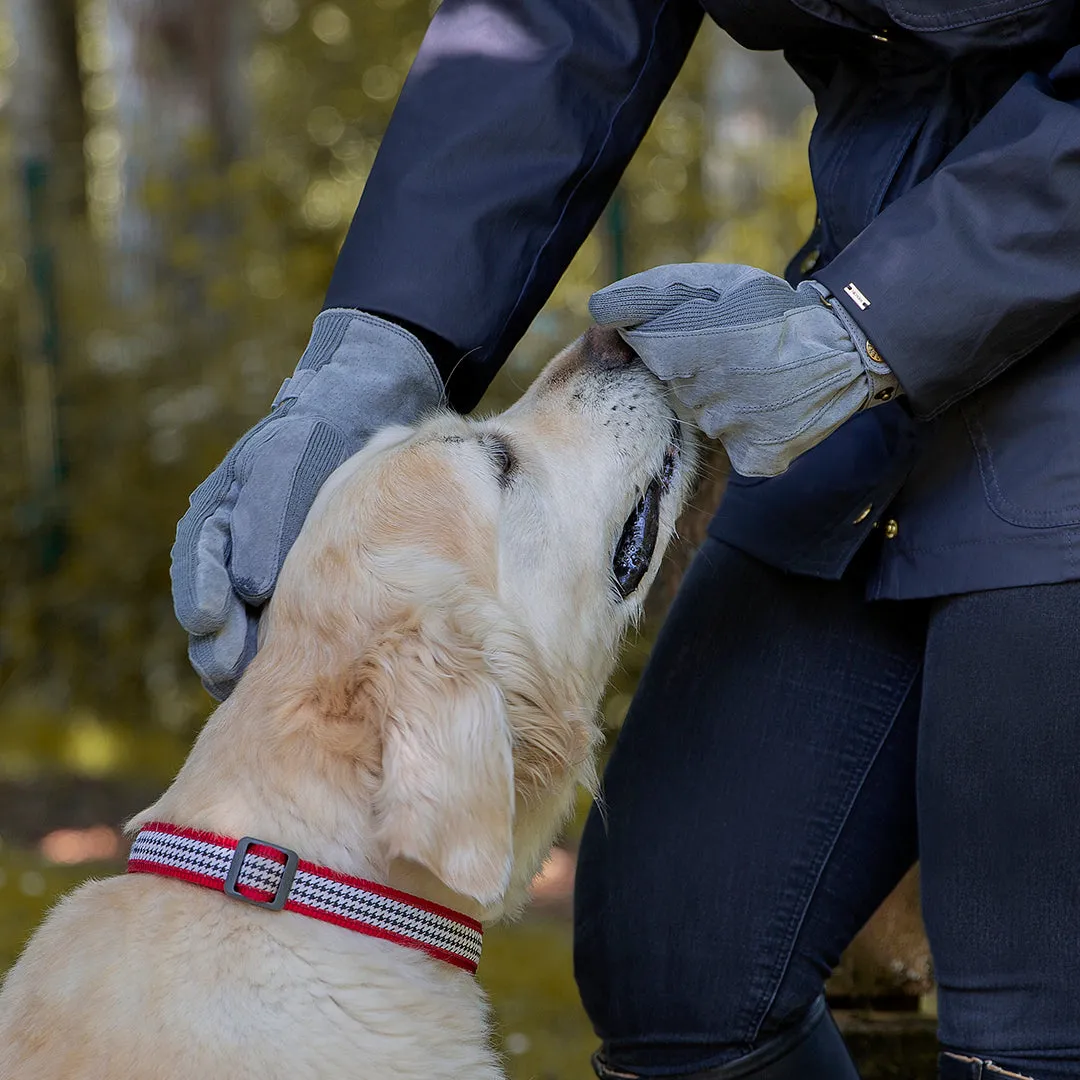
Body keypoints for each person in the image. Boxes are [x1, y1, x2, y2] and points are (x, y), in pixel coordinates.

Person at [170, 2, 1080, 1077]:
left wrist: (882, 316)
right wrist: (378, 349)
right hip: (859, 326)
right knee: (680, 973)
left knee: (1032, 1015)